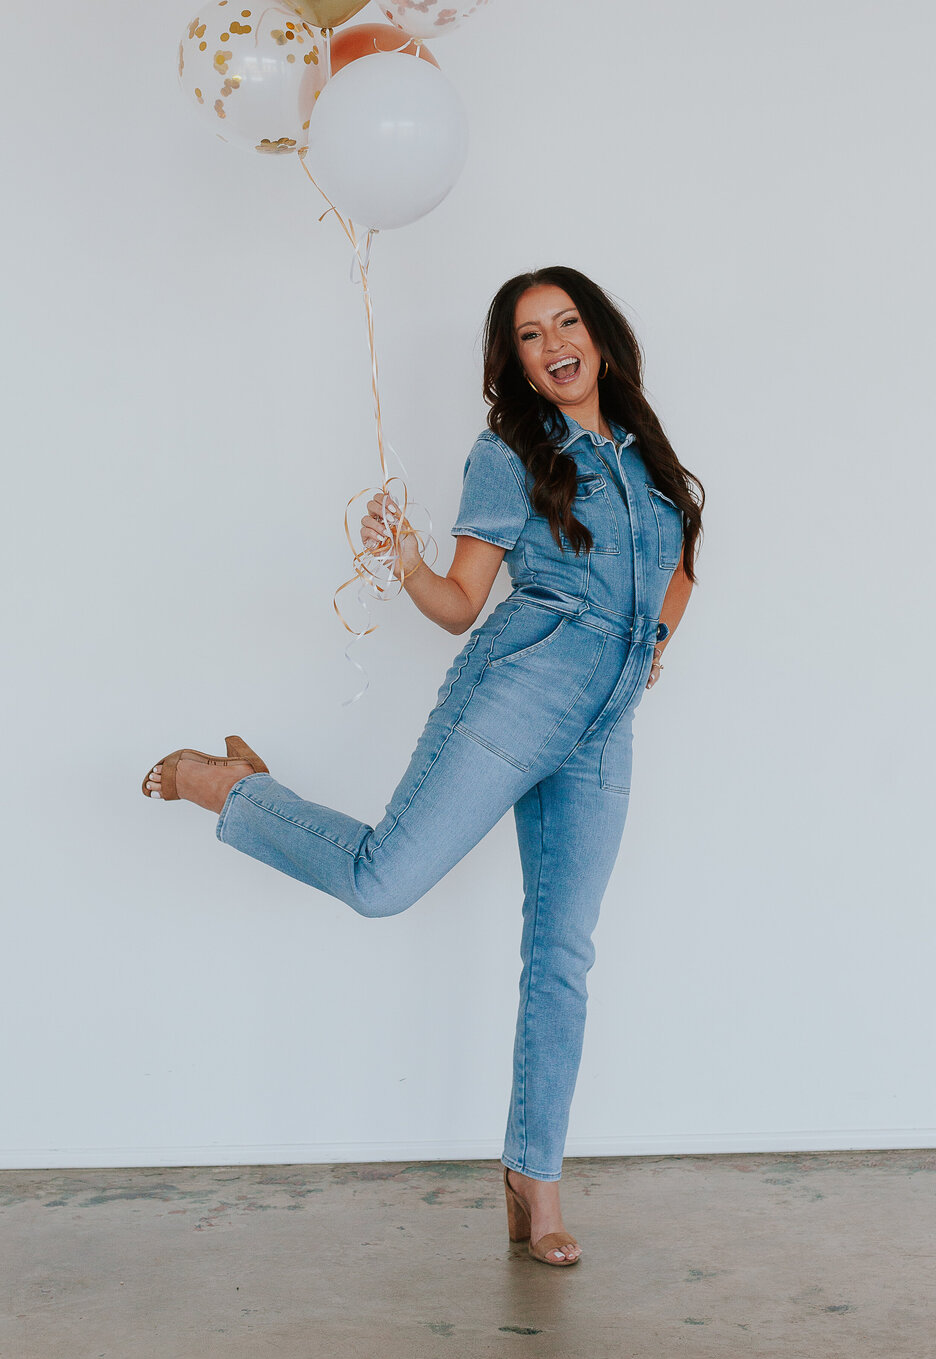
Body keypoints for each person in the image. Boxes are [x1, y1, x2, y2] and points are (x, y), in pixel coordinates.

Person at [142, 266, 704, 1266]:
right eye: (531, 336)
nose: (554, 344)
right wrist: (404, 561)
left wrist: (652, 644)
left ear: (602, 338)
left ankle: (538, 1189)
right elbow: (459, 602)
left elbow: (681, 565)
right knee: (382, 882)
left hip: (604, 727)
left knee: (562, 959)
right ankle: (223, 784)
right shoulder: (510, 455)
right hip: (515, 697)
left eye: (567, 323)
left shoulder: (649, 457)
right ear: (518, 366)